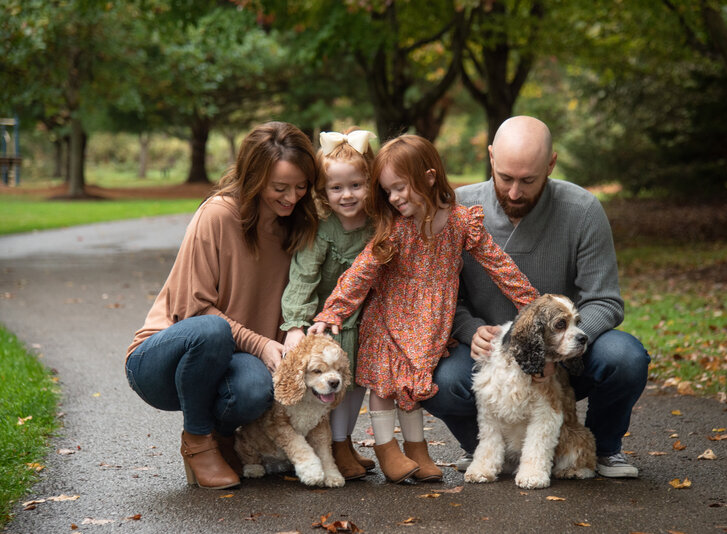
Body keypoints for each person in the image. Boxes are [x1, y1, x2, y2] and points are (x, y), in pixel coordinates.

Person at [419, 116, 651, 478]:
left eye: (528, 180)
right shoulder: (458, 209)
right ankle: (484, 447)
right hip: (490, 356)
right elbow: (444, 295)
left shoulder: (583, 210)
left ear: (551, 164)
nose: (514, 193)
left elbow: (605, 301)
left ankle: (603, 448)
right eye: (506, 178)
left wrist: (554, 349)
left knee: (626, 357)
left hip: (566, 352)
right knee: (437, 380)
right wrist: (469, 329)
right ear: (491, 157)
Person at [308, 134, 538, 484]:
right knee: (385, 389)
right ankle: (387, 450)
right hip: (389, 319)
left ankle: (417, 450)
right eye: (387, 191)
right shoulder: (396, 230)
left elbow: (499, 266)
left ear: (429, 177)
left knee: (413, 389)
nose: (395, 198)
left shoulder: (461, 222)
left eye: (401, 187)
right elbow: (361, 273)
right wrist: (333, 312)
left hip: (429, 326)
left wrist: (533, 305)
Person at [124, 121, 319, 490]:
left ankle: (223, 437)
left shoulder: (298, 226)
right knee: (212, 331)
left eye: (300, 187)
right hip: (163, 362)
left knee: (256, 388)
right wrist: (261, 343)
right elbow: (192, 312)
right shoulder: (218, 214)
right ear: (254, 178)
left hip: (234, 362)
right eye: (279, 188)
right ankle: (197, 441)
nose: (291, 198)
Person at [280, 128, 377, 481]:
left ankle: (345, 441)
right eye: (336, 188)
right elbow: (303, 277)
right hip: (330, 324)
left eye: (356, 185)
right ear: (323, 192)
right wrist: (294, 324)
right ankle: (335, 445)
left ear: (371, 182)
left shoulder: (378, 225)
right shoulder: (323, 229)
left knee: (357, 385)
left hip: (365, 319)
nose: (347, 195)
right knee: (334, 386)